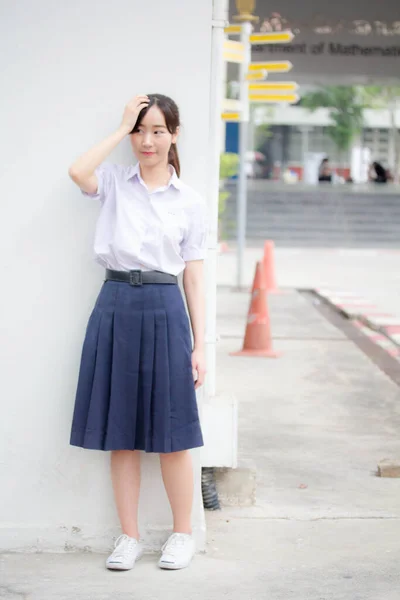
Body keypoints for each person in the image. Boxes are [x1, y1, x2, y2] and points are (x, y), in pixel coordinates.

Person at [68, 94, 208, 572]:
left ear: (174, 135)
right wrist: (119, 125)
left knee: (173, 431)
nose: (147, 141)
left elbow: (193, 275)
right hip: (115, 304)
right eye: (140, 131)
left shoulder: (190, 200)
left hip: (167, 307)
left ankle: (182, 534)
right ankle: (128, 537)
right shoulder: (113, 182)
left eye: (157, 131)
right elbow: (77, 172)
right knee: (122, 431)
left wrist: (200, 344)